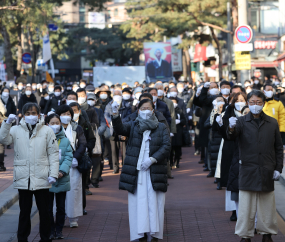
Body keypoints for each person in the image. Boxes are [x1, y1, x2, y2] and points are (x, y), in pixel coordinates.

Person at [227, 90, 283, 242]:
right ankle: (245, 235)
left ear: (263, 103)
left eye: (258, 102)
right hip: (247, 170)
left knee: (267, 207)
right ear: (248, 103)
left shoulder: (272, 122)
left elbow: (278, 147)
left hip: (266, 169)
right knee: (246, 207)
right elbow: (231, 136)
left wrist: (278, 168)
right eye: (252, 102)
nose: (255, 105)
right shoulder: (241, 121)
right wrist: (230, 127)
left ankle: (267, 234)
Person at [111, 99, 171, 242]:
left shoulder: (161, 127)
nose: (145, 111)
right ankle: (141, 233)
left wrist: (152, 159)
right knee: (138, 203)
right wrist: (115, 114)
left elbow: (166, 146)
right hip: (137, 173)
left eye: (148, 108)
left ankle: (154, 234)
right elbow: (120, 129)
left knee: (155, 203)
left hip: (154, 171)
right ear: (138, 111)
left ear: (153, 111)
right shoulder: (133, 126)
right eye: (142, 108)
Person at [0, 103, 59, 242]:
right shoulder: (15, 129)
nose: (31, 115)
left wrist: (53, 173)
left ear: (39, 115)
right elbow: (3, 139)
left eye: (33, 113)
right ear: (23, 115)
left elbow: (53, 154)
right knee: (24, 212)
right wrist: (6, 123)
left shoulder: (47, 130)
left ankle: (45, 238)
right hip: (23, 177)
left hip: (42, 176)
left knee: (44, 212)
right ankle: (22, 239)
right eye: (27, 113)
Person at [55, 105, 87, 228]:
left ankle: (73, 218)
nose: (66, 116)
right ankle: (58, 217)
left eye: (68, 114)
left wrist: (75, 157)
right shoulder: (53, 128)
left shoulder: (77, 128)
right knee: (58, 191)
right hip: (57, 164)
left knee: (74, 191)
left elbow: (82, 144)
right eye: (63, 114)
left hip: (74, 164)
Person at [45, 113, 73, 240]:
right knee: (48, 208)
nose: (55, 125)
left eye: (57, 123)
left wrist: (62, 171)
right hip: (47, 179)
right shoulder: (43, 139)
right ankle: (50, 230)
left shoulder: (66, 140)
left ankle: (59, 230)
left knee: (61, 207)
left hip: (62, 178)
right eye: (52, 123)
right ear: (47, 125)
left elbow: (68, 157)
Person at [104, 89, 132, 173]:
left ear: (121, 96)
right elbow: (106, 115)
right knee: (113, 149)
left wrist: (120, 122)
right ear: (113, 96)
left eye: (118, 94)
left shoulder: (126, 104)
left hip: (123, 128)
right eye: (115, 94)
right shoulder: (109, 105)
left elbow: (129, 115)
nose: (117, 95)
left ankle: (124, 166)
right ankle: (115, 167)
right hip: (112, 129)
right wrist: (112, 122)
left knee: (124, 149)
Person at [169, 97, 186, 168]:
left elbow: (184, 120)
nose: (173, 103)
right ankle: (170, 162)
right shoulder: (168, 110)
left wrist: (180, 121)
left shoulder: (180, 111)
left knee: (178, 148)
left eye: (174, 102)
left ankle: (177, 162)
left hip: (178, 131)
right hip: (170, 131)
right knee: (170, 148)